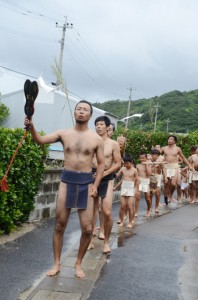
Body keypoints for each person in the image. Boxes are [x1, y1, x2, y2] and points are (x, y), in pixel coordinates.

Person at [24, 100, 105, 278]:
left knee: (88, 228)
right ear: (74, 113)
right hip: (67, 181)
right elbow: (40, 140)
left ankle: (78, 263)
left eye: (85, 110)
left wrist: (96, 185)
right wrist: (31, 127)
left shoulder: (96, 139)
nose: (81, 112)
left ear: (90, 115)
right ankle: (57, 263)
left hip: (86, 183)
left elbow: (101, 164)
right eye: (79, 109)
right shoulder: (64, 133)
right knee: (60, 225)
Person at [91, 116, 121, 253]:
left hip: (107, 178)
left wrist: (104, 173)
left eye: (101, 124)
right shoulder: (89, 141)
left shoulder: (113, 144)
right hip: (90, 177)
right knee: (90, 211)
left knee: (107, 211)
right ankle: (89, 239)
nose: (98, 126)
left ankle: (107, 242)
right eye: (96, 124)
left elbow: (118, 163)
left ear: (107, 127)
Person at [161, 135, 192, 204]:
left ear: (174, 141)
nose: (169, 140)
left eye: (171, 139)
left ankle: (170, 195)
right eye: (168, 139)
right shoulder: (164, 148)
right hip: (166, 167)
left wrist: (189, 165)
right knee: (166, 184)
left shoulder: (178, 149)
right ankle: (166, 198)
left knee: (173, 184)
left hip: (175, 167)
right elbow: (157, 155)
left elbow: (183, 158)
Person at [113, 154, 139, 228]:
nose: (126, 164)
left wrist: (137, 190)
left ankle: (130, 222)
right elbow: (116, 176)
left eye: (127, 163)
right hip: (124, 188)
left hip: (131, 188)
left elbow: (137, 180)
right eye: (125, 163)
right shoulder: (122, 169)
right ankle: (121, 221)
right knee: (122, 206)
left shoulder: (134, 170)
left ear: (131, 162)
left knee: (130, 206)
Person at [136, 153, 152, 217]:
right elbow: (136, 175)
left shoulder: (149, 165)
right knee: (137, 197)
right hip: (139, 181)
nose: (142, 159)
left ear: (146, 158)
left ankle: (149, 209)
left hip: (146, 181)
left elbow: (149, 174)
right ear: (139, 158)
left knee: (147, 197)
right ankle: (136, 212)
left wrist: (147, 165)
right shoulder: (138, 166)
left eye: (143, 158)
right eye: (141, 158)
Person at [150, 149, 163, 213]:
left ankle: (156, 207)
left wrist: (159, 167)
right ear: (151, 155)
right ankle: (150, 207)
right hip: (150, 178)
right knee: (150, 194)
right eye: (154, 155)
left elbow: (159, 172)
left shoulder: (159, 162)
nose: (156, 156)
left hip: (157, 177)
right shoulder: (148, 161)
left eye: (157, 155)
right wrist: (152, 165)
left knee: (157, 193)